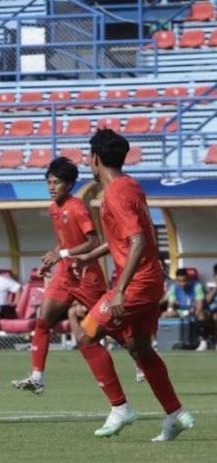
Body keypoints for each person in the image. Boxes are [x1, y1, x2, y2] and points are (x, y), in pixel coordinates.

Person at [68, 129, 193, 441]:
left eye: (88, 156)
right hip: (150, 281)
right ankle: (175, 413)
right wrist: (90, 257)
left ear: (95, 159)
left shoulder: (115, 194)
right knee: (140, 348)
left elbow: (137, 242)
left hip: (136, 283)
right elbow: (126, 239)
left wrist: (121, 289)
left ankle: (120, 408)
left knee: (85, 335)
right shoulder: (131, 185)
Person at [11, 157, 106, 394]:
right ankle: (37, 377)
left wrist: (62, 253)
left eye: (57, 183)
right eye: (49, 182)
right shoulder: (54, 208)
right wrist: (52, 257)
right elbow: (63, 241)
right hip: (64, 275)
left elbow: (93, 241)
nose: (51, 187)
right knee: (43, 320)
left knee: (110, 325)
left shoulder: (78, 207)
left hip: (86, 275)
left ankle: (140, 359)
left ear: (70, 184)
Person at [162, 268, 209, 351]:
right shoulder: (173, 287)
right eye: (180, 281)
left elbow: (200, 306)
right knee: (164, 315)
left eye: (185, 280)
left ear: (188, 279)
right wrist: (170, 309)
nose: (182, 283)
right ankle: (163, 341)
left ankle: (203, 341)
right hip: (180, 312)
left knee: (201, 314)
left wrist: (193, 309)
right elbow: (171, 305)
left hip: (194, 311)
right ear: (176, 280)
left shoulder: (197, 286)